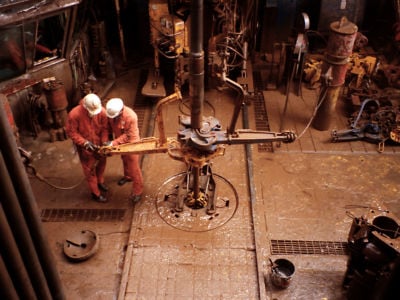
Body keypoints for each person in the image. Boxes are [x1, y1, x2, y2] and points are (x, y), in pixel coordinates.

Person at [65, 93, 109, 203]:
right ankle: (96, 193)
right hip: (85, 148)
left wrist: (104, 142)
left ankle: (100, 182)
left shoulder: (102, 112)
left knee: (102, 164)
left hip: (99, 146)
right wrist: (84, 143)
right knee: (90, 171)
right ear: (85, 106)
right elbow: (72, 132)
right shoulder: (74, 114)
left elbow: (105, 129)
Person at [105, 98, 144, 203]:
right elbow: (109, 125)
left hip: (132, 143)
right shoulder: (111, 112)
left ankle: (138, 191)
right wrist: (108, 137)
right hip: (119, 140)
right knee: (124, 159)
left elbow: (128, 135)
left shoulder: (130, 116)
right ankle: (127, 177)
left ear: (121, 111)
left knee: (134, 167)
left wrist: (113, 143)